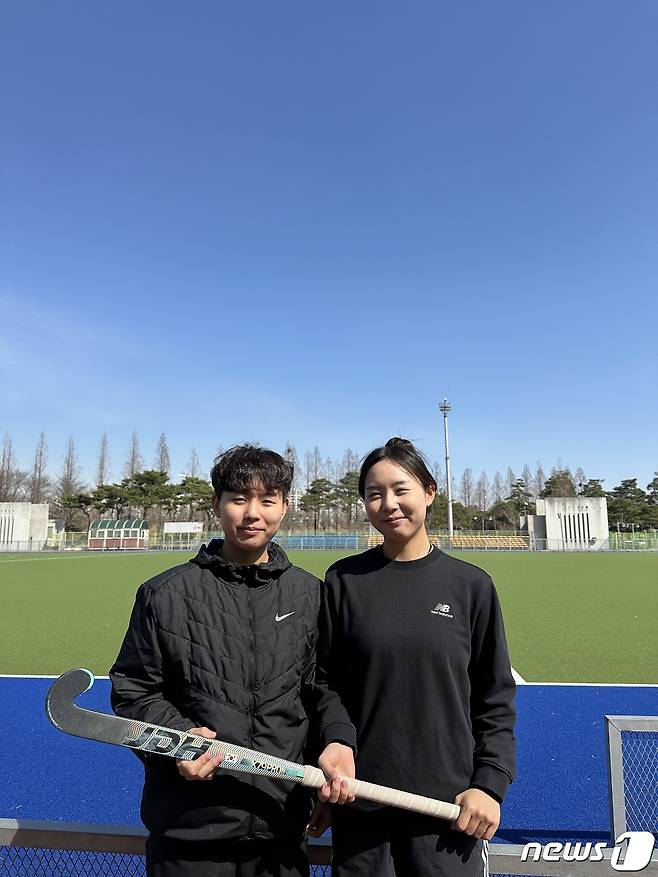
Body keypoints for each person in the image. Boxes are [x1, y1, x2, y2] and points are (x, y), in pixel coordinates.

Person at [110, 444, 354, 877]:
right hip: (190, 831)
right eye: (239, 499)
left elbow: (322, 691)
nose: (252, 513)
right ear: (216, 505)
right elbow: (133, 691)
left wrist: (335, 745)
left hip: (281, 827)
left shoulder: (310, 595)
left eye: (267, 500)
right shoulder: (163, 595)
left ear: (285, 506)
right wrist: (177, 741)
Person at [313, 437, 516, 877]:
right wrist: (336, 742)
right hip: (361, 803)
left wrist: (489, 785)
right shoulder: (344, 581)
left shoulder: (471, 586)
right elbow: (324, 682)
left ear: (429, 492)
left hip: (448, 810)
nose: (388, 503)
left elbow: (494, 697)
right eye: (373, 494)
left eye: (400, 489)